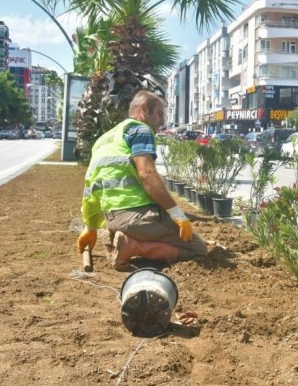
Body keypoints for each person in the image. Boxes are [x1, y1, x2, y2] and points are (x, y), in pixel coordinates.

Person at [77, 90, 207, 271]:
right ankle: (133, 246)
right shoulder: (139, 130)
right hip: (139, 217)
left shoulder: (102, 141)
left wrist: (90, 227)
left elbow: (90, 187)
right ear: (144, 109)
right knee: (199, 250)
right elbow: (147, 174)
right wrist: (177, 214)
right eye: (159, 114)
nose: (162, 121)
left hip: (113, 219)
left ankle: (122, 237)